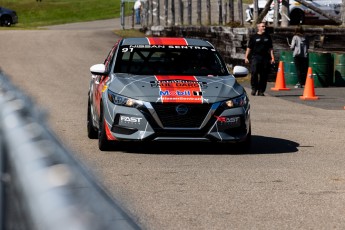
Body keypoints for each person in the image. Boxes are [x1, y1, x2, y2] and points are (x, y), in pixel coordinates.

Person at [245, 21, 275, 96]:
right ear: (258, 27)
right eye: (262, 26)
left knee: (263, 75)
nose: (264, 27)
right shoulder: (254, 37)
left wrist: (272, 57)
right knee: (254, 73)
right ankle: (254, 88)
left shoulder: (267, 37)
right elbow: (249, 48)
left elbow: (270, 48)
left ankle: (261, 90)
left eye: (264, 26)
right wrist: (246, 57)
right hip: (255, 57)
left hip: (265, 58)